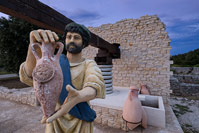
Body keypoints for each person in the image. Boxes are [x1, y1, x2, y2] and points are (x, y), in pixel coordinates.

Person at [19, 22, 105, 133]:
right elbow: (29, 75)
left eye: (76, 37)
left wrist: (79, 96)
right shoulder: (53, 62)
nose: (72, 40)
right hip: (55, 119)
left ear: (84, 44)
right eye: (69, 37)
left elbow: (95, 84)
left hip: (80, 121)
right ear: (64, 41)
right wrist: (32, 47)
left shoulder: (89, 64)